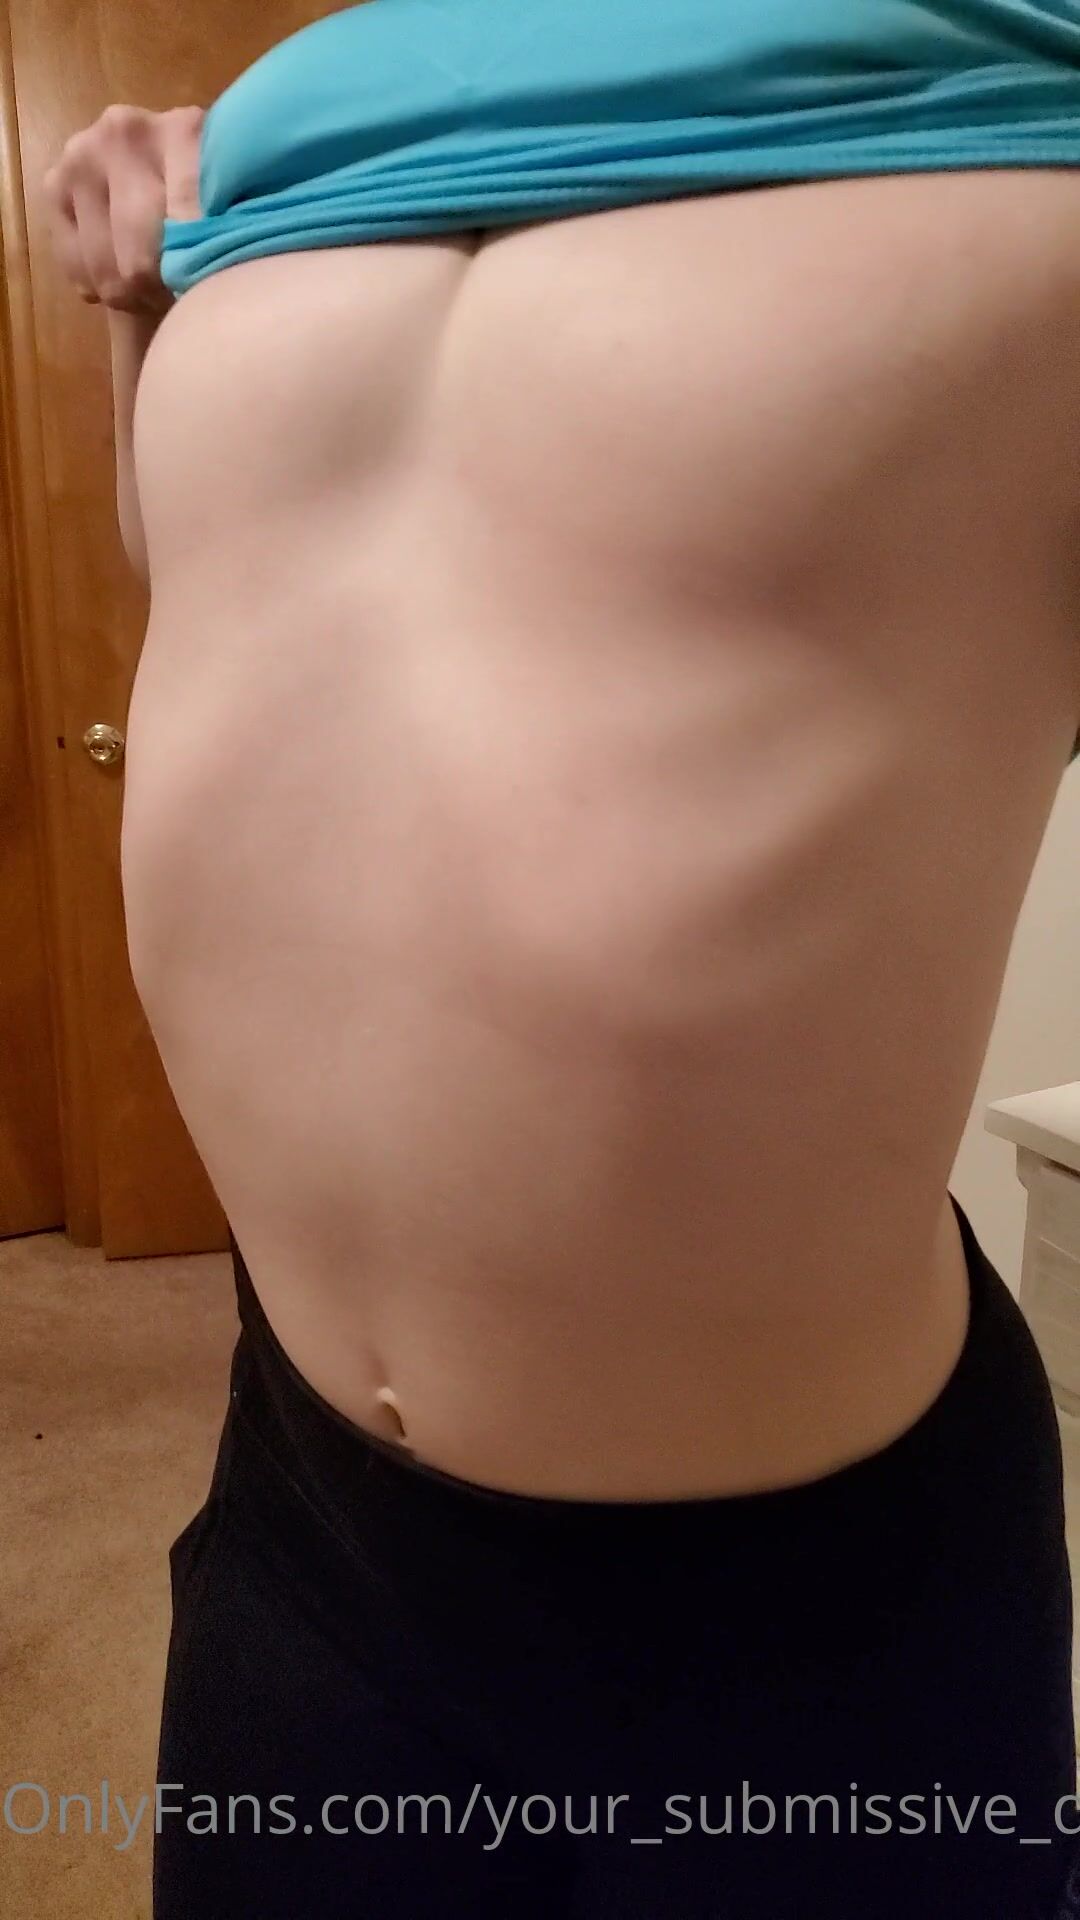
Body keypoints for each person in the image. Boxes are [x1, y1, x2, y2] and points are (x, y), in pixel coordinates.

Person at [43, 3, 1080, 1914]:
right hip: (303, 1530)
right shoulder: (306, 139)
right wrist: (139, 306)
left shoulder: (1016, 117)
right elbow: (232, 587)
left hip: (805, 1617)